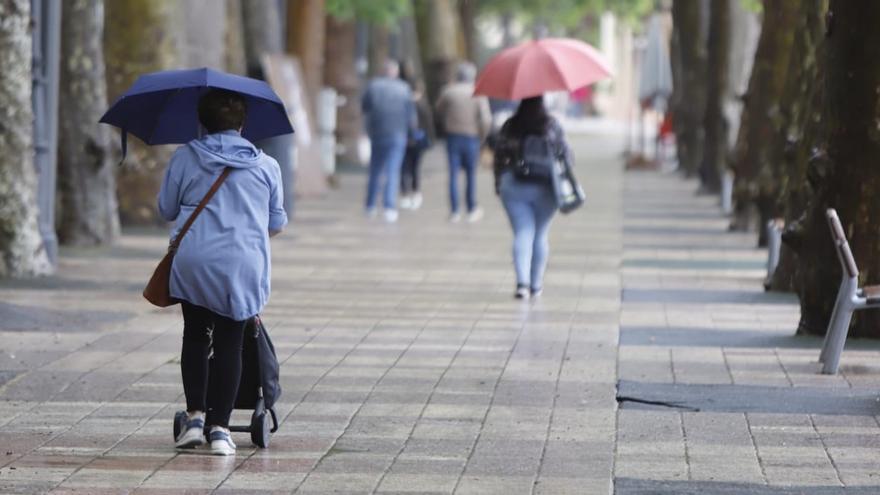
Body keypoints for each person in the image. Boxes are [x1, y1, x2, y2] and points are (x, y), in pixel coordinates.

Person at [157, 89, 287, 455]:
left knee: (196, 335)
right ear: (243, 123)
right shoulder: (266, 165)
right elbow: (276, 222)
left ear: (202, 122)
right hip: (242, 263)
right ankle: (220, 430)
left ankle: (194, 419)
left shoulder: (185, 156)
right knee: (231, 342)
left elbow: (167, 208)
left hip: (194, 261)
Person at [491, 95, 570, 299]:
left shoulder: (510, 125)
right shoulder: (552, 126)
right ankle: (536, 285)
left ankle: (522, 285)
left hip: (514, 187)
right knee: (540, 235)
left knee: (522, 233)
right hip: (546, 187)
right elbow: (566, 155)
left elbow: (499, 156)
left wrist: (498, 183)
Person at [435, 62, 492, 223]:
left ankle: (454, 211)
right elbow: (486, 120)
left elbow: (438, 110)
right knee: (471, 175)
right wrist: (482, 136)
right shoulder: (478, 93)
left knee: (453, 174)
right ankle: (472, 208)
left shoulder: (448, 92)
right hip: (472, 138)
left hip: (452, 137)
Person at [361, 60, 416, 223]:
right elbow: (411, 115)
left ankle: (370, 205)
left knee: (375, 169)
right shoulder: (404, 88)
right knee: (392, 170)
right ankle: (389, 207)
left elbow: (365, 107)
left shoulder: (373, 86)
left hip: (377, 133)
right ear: (396, 73)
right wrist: (412, 133)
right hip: (397, 134)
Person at [399, 61, 435, 211]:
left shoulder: (403, 102)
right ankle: (416, 192)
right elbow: (428, 123)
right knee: (415, 167)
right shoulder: (422, 104)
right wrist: (431, 139)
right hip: (419, 140)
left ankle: (405, 193)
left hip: (404, 138)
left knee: (404, 167)